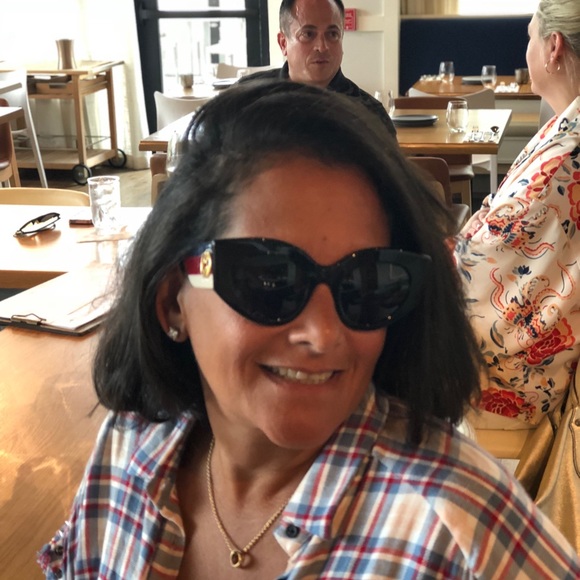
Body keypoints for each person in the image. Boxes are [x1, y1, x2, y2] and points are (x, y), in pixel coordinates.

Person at [37, 80, 580, 578]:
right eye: (269, 279)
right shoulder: (130, 447)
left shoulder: (463, 527)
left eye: (366, 283)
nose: (322, 335)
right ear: (172, 301)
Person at [454, 0, 580, 433]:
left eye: (529, 37)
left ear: (553, 47)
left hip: (522, 380)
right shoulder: (563, 127)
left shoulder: (563, 159)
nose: (525, 49)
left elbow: (477, 282)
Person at [237, 0, 396, 137]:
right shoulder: (248, 98)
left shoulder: (368, 114)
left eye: (332, 34)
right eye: (308, 34)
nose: (322, 47)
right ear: (283, 43)